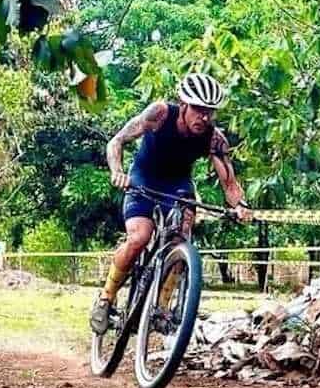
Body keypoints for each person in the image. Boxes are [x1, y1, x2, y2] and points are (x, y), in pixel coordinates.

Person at [90, 73, 253, 334]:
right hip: (143, 179)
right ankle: (106, 297)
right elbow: (116, 141)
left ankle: (161, 308)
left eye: (210, 112)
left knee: (182, 237)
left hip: (178, 186)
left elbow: (230, 184)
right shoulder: (160, 114)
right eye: (199, 109)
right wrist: (117, 171)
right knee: (140, 237)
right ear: (184, 104)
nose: (204, 118)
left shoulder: (214, 139)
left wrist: (240, 206)